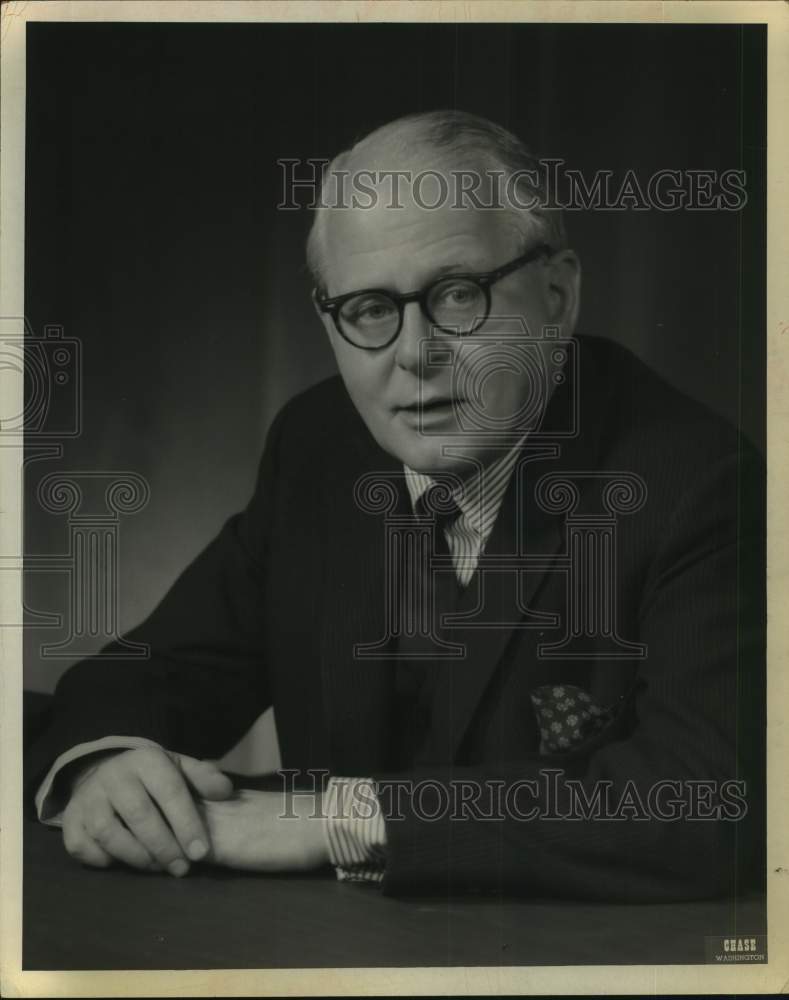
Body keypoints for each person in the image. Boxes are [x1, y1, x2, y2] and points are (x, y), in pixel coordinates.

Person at [28, 110, 765, 900]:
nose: (415, 355)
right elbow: (165, 670)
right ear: (329, 320)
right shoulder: (318, 446)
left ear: (557, 296)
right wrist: (103, 763)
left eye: (456, 295)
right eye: (371, 310)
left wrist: (333, 821)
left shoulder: (699, 481)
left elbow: (706, 801)